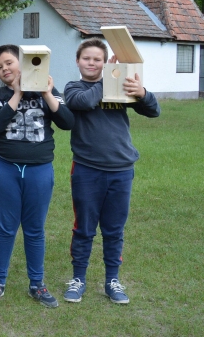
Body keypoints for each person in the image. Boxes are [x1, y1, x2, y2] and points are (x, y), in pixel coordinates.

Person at [62, 39, 159, 305]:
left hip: (121, 170)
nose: (92, 63)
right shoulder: (73, 88)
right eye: (87, 59)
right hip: (87, 170)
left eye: (97, 60)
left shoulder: (118, 87)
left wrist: (142, 92)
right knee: (84, 228)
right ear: (78, 61)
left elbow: (153, 111)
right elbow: (83, 102)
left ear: (104, 62)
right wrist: (108, 78)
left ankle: (112, 281)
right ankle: (78, 279)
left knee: (114, 230)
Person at [0, 44, 74, 307]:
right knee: (6, 228)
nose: (5, 69)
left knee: (35, 230)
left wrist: (45, 92)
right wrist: (18, 93)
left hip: (39, 170)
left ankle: (37, 284)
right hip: (6, 169)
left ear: (22, 63)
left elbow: (68, 122)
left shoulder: (47, 90)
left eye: (9, 63)